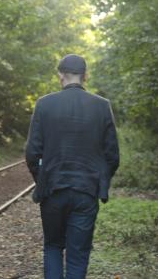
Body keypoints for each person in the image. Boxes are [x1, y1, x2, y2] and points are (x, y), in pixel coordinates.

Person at [25, 54, 119, 279]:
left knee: (53, 246)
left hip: (53, 190)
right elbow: (112, 156)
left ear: (60, 75)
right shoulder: (102, 106)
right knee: (78, 253)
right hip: (86, 191)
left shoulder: (44, 104)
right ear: (85, 76)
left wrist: (44, 179)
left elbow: (32, 153)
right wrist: (99, 181)